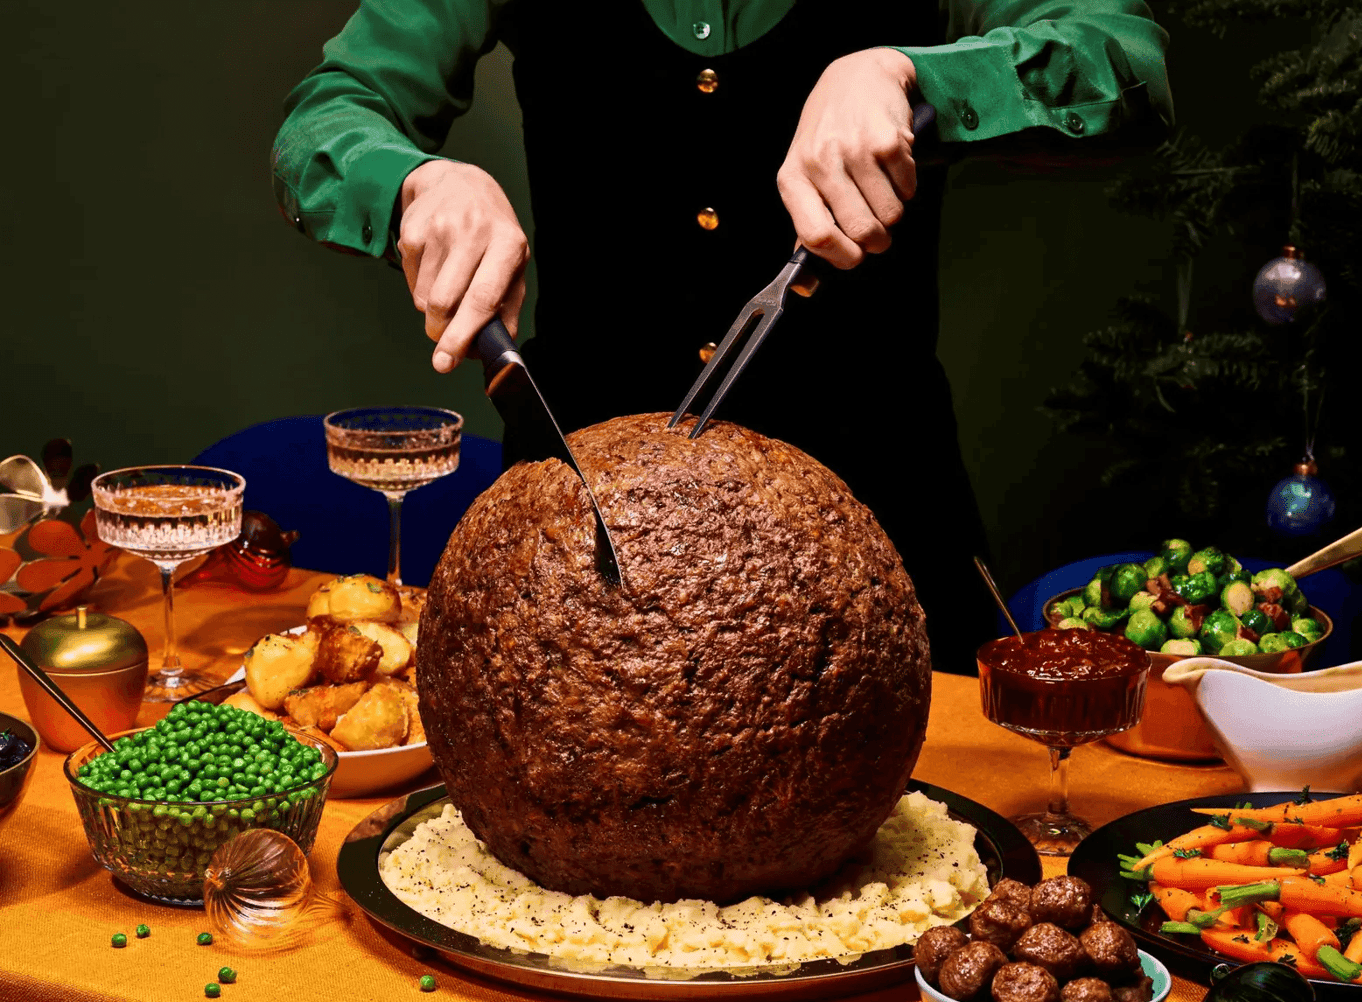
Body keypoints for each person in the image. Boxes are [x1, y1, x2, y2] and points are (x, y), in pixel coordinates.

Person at [272, 1, 1173, 672]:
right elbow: (330, 109)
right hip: (576, 562)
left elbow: (1122, 58)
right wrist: (415, 182)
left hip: (888, 538)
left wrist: (912, 74)